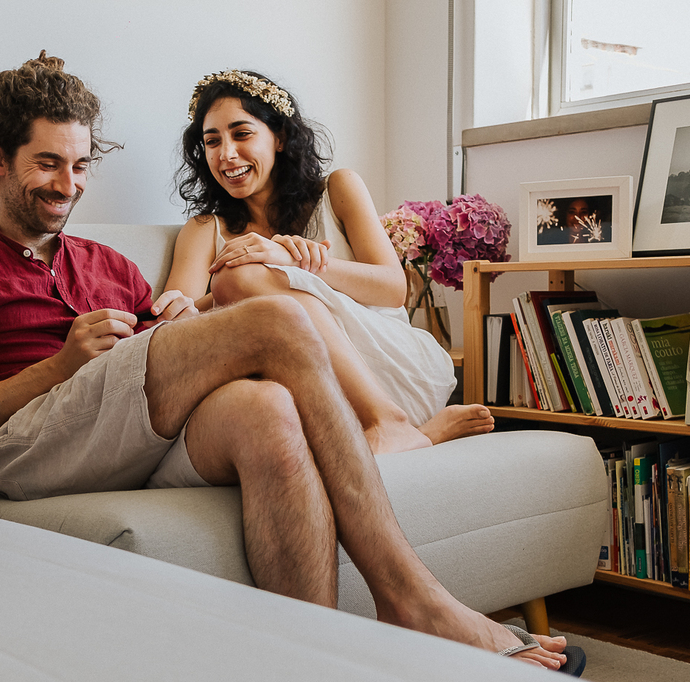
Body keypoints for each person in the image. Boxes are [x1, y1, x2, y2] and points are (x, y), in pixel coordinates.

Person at [0, 52, 574, 671]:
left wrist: (184, 323)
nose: (68, 184)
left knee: (267, 408)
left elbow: (154, 355)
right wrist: (59, 367)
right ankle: (413, 599)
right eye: (48, 164)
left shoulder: (106, 266)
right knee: (275, 314)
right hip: (29, 449)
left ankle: (315, 662)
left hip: (130, 438)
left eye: (80, 166)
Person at [167, 70, 493, 454]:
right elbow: (177, 326)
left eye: (242, 134)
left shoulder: (339, 188)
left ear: (281, 137)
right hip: (292, 383)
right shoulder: (205, 229)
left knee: (248, 277)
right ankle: (421, 434)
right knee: (242, 283)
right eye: (212, 141)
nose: (226, 154)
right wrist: (227, 290)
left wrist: (294, 262)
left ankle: (387, 419)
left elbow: (392, 289)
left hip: (385, 364)